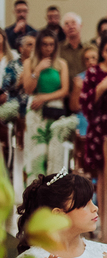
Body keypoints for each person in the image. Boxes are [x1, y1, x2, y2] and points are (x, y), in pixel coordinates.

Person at [21, 28, 71, 176]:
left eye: (51, 44)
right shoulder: (29, 62)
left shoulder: (61, 64)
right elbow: (28, 89)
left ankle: (54, 192)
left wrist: (44, 97)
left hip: (55, 109)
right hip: (36, 111)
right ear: (39, 45)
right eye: (44, 44)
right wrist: (37, 70)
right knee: (37, 151)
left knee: (56, 153)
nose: (48, 48)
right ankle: (35, 189)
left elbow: (65, 90)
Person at [59, 11, 87, 83]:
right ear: (63, 29)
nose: (70, 26)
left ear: (81, 25)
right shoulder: (58, 49)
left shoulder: (88, 48)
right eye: (66, 24)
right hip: (64, 90)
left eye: (73, 23)